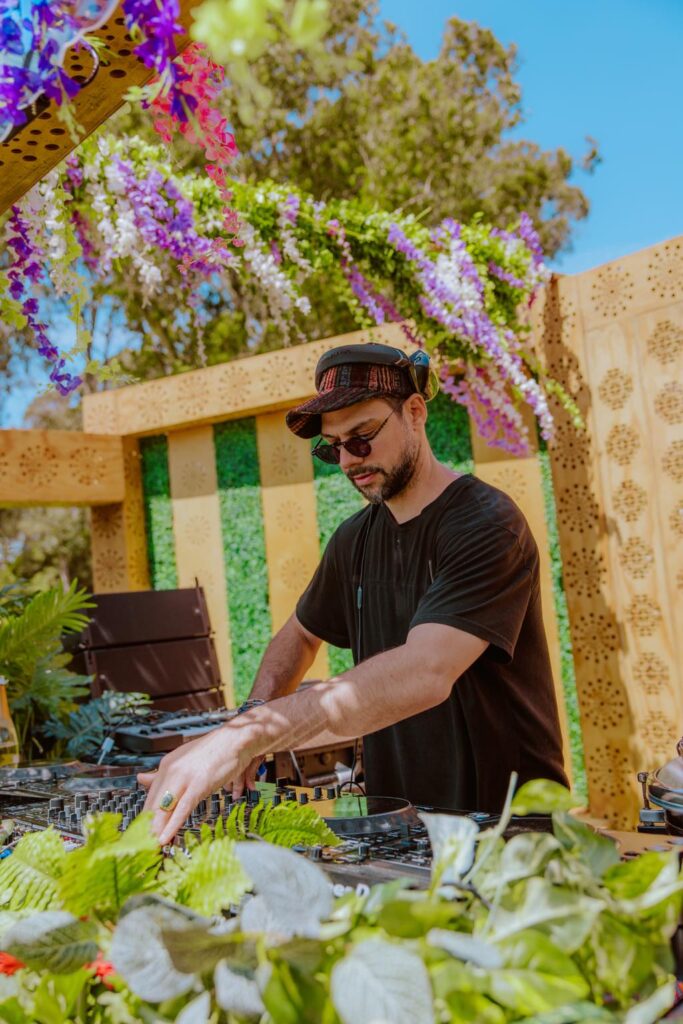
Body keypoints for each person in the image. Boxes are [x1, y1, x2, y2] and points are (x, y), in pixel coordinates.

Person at [141, 342, 568, 843]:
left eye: (362, 438)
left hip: (509, 833)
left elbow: (426, 672)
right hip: (404, 830)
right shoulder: (354, 539)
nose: (347, 460)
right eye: (332, 446)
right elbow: (300, 635)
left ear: (414, 412)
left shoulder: (487, 524)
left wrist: (244, 737)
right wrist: (252, 715)